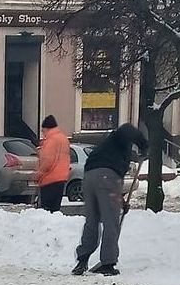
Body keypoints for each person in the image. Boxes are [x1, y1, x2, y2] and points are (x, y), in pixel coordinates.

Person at [74, 122, 148, 275]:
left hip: (88, 177)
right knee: (111, 221)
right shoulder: (121, 137)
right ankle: (107, 263)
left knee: (92, 220)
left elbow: (109, 188)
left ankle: (82, 260)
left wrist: (120, 202)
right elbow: (127, 128)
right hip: (107, 176)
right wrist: (144, 145)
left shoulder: (108, 145)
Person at [33, 115, 71, 213]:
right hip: (61, 178)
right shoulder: (64, 139)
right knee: (55, 209)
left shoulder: (51, 140)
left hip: (49, 179)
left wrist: (39, 174)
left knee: (46, 211)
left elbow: (47, 160)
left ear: (47, 128)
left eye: (43, 130)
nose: (42, 133)